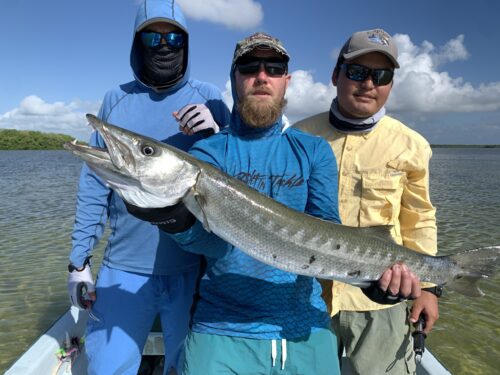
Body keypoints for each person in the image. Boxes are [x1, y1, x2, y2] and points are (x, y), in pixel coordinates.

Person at [127, 31, 422, 375]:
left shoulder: (313, 151)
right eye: (250, 66)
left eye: (275, 67)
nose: (262, 76)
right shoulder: (208, 152)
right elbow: (214, 245)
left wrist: (376, 284)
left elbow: (329, 232)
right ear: (234, 78)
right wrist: (174, 222)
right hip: (221, 329)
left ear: (287, 80)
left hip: (306, 330)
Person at [66, 1, 230, 374]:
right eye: (152, 36)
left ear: (185, 43)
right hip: (122, 267)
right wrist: (79, 260)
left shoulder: (211, 98)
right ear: (137, 42)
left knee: (187, 366)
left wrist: (221, 133)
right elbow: (94, 184)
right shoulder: (115, 100)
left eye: (173, 37)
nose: (163, 45)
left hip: (194, 269)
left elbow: (240, 174)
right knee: (106, 367)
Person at [294, 28, 439, 374]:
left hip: (382, 302)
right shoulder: (297, 137)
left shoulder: (411, 145)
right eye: (357, 72)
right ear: (335, 75)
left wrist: (429, 290)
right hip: (307, 295)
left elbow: (418, 219)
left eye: (381, 75)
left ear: (390, 83)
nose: (368, 84)